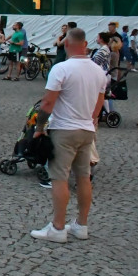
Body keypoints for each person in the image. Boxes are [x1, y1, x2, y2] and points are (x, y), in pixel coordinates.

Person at [29, 28, 105, 243]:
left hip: (64, 128)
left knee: (59, 178)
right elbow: (99, 104)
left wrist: (39, 127)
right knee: (83, 177)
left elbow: (47, 102)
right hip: (86, 129)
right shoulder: (98, 71)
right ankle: (81, 225)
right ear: (85, 44)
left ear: (67, 44)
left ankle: (58, 227)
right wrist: (90, 120)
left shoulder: (61, 68)